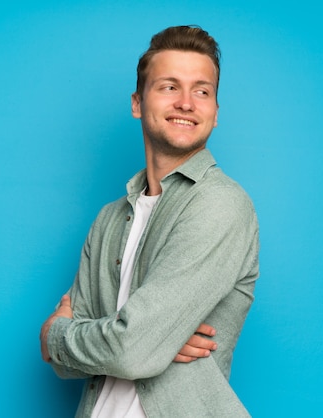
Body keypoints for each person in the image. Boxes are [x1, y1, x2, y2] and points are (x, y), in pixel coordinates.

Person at [39, 25, 260, 417]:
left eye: (202, 91)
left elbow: (132, 351)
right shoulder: (109, 219)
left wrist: (56, 335)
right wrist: (148, 337)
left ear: (216, 113)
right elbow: (68, 365)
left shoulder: (221, 205)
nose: (187, 103)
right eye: (169, 87)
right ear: (138, 103)